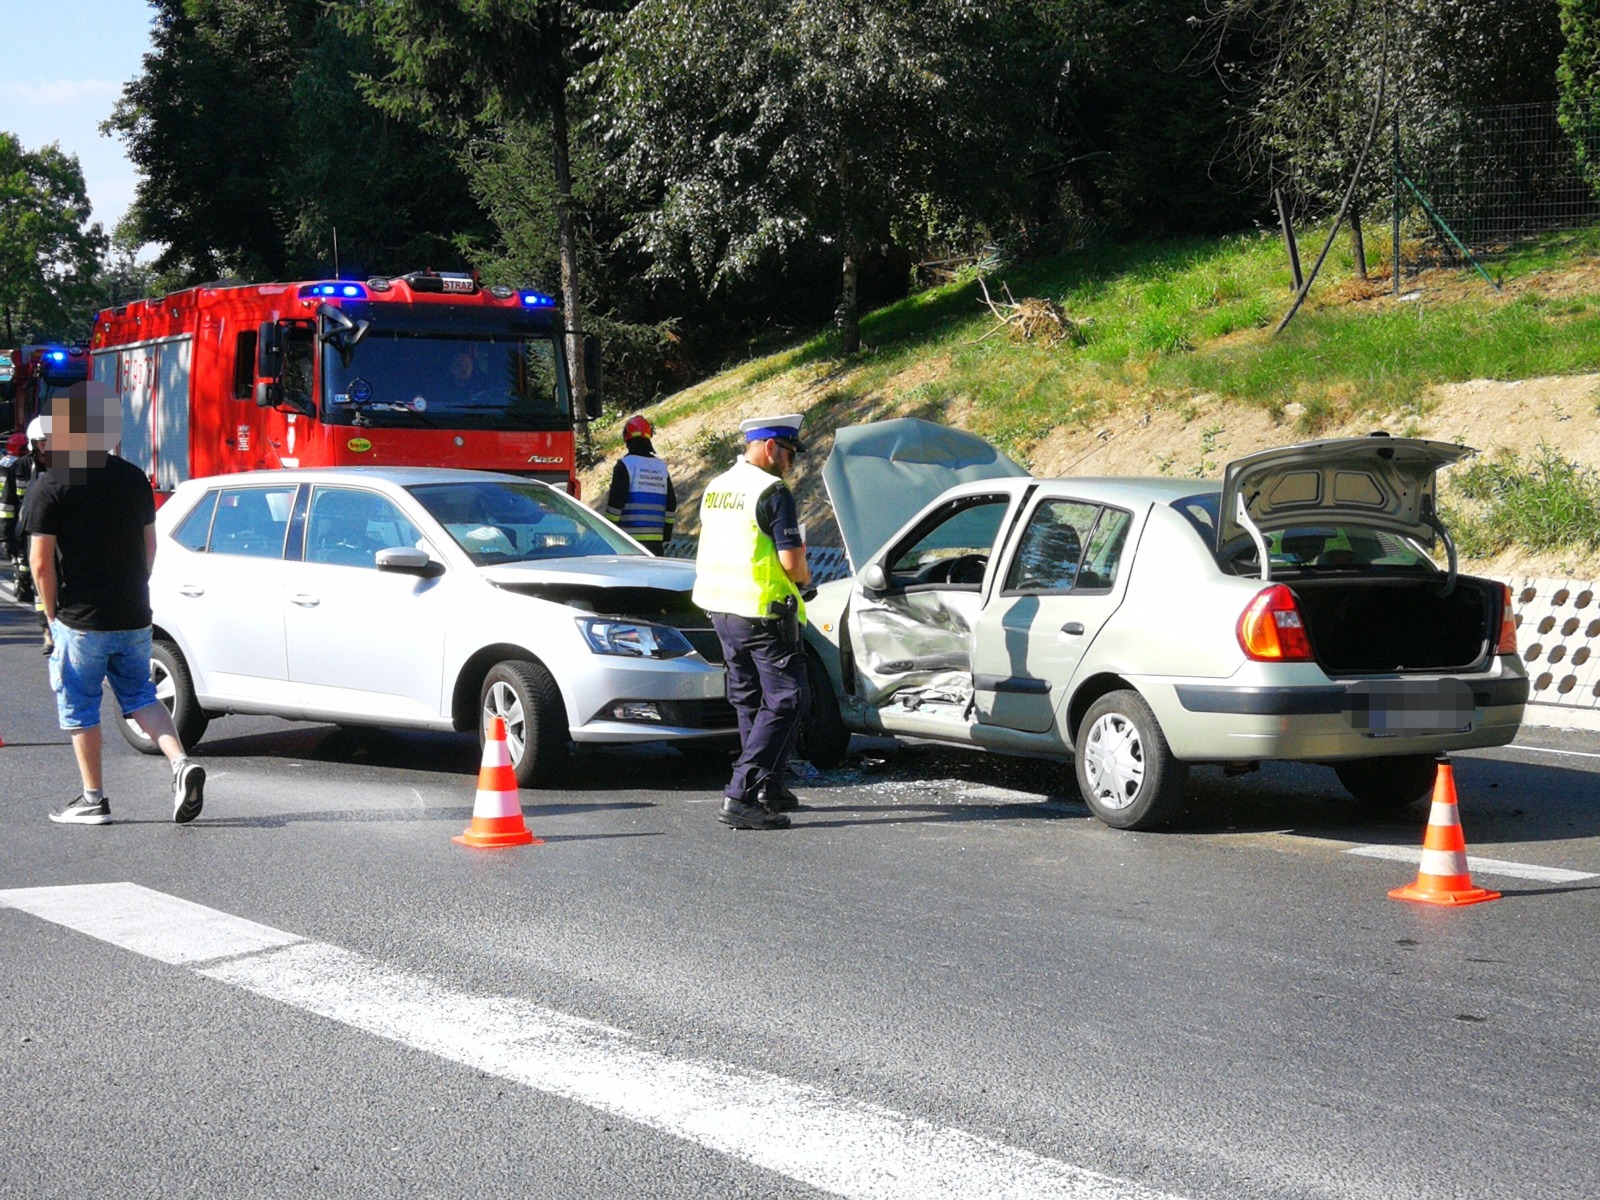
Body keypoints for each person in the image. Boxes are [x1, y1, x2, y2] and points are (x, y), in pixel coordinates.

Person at [28, 381, 207, 826]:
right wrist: (135, 588)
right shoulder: (132, 477)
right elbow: (150, 547)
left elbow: (40, 564)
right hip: (133, 614)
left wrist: (52, 617)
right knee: (142, 697)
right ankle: (181, 763)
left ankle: (94, 799)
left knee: (80, 706)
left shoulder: (52, 483)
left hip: (81, 619)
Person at [692, 413, 813, 830]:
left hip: (722, 611)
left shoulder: (717, 487)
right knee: (787, 699)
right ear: (769, 448)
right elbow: (791, 560)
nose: (792, 462)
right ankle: (741, 793)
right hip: (763, 613)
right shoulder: (772, 490)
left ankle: (768, 786)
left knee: (749, 702)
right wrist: (805, 581)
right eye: (790, 453)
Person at [3, 417, 51, 650]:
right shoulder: (19, 468)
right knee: (35, 583)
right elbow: (8, 506)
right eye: (42, 442)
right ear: (33, 443)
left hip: (58, 535)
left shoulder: (69, 466)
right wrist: (7, 538)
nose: (47, 446)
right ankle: (47, 631)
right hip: (29, 535)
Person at [604, 414, 677, 554]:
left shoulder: (625, 465)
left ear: (626, 438)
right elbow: (671, 504)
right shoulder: (661, 467)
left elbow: (616, 503)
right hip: (656, 543)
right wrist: (666, 534)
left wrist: (608, 534)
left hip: (629, 542)